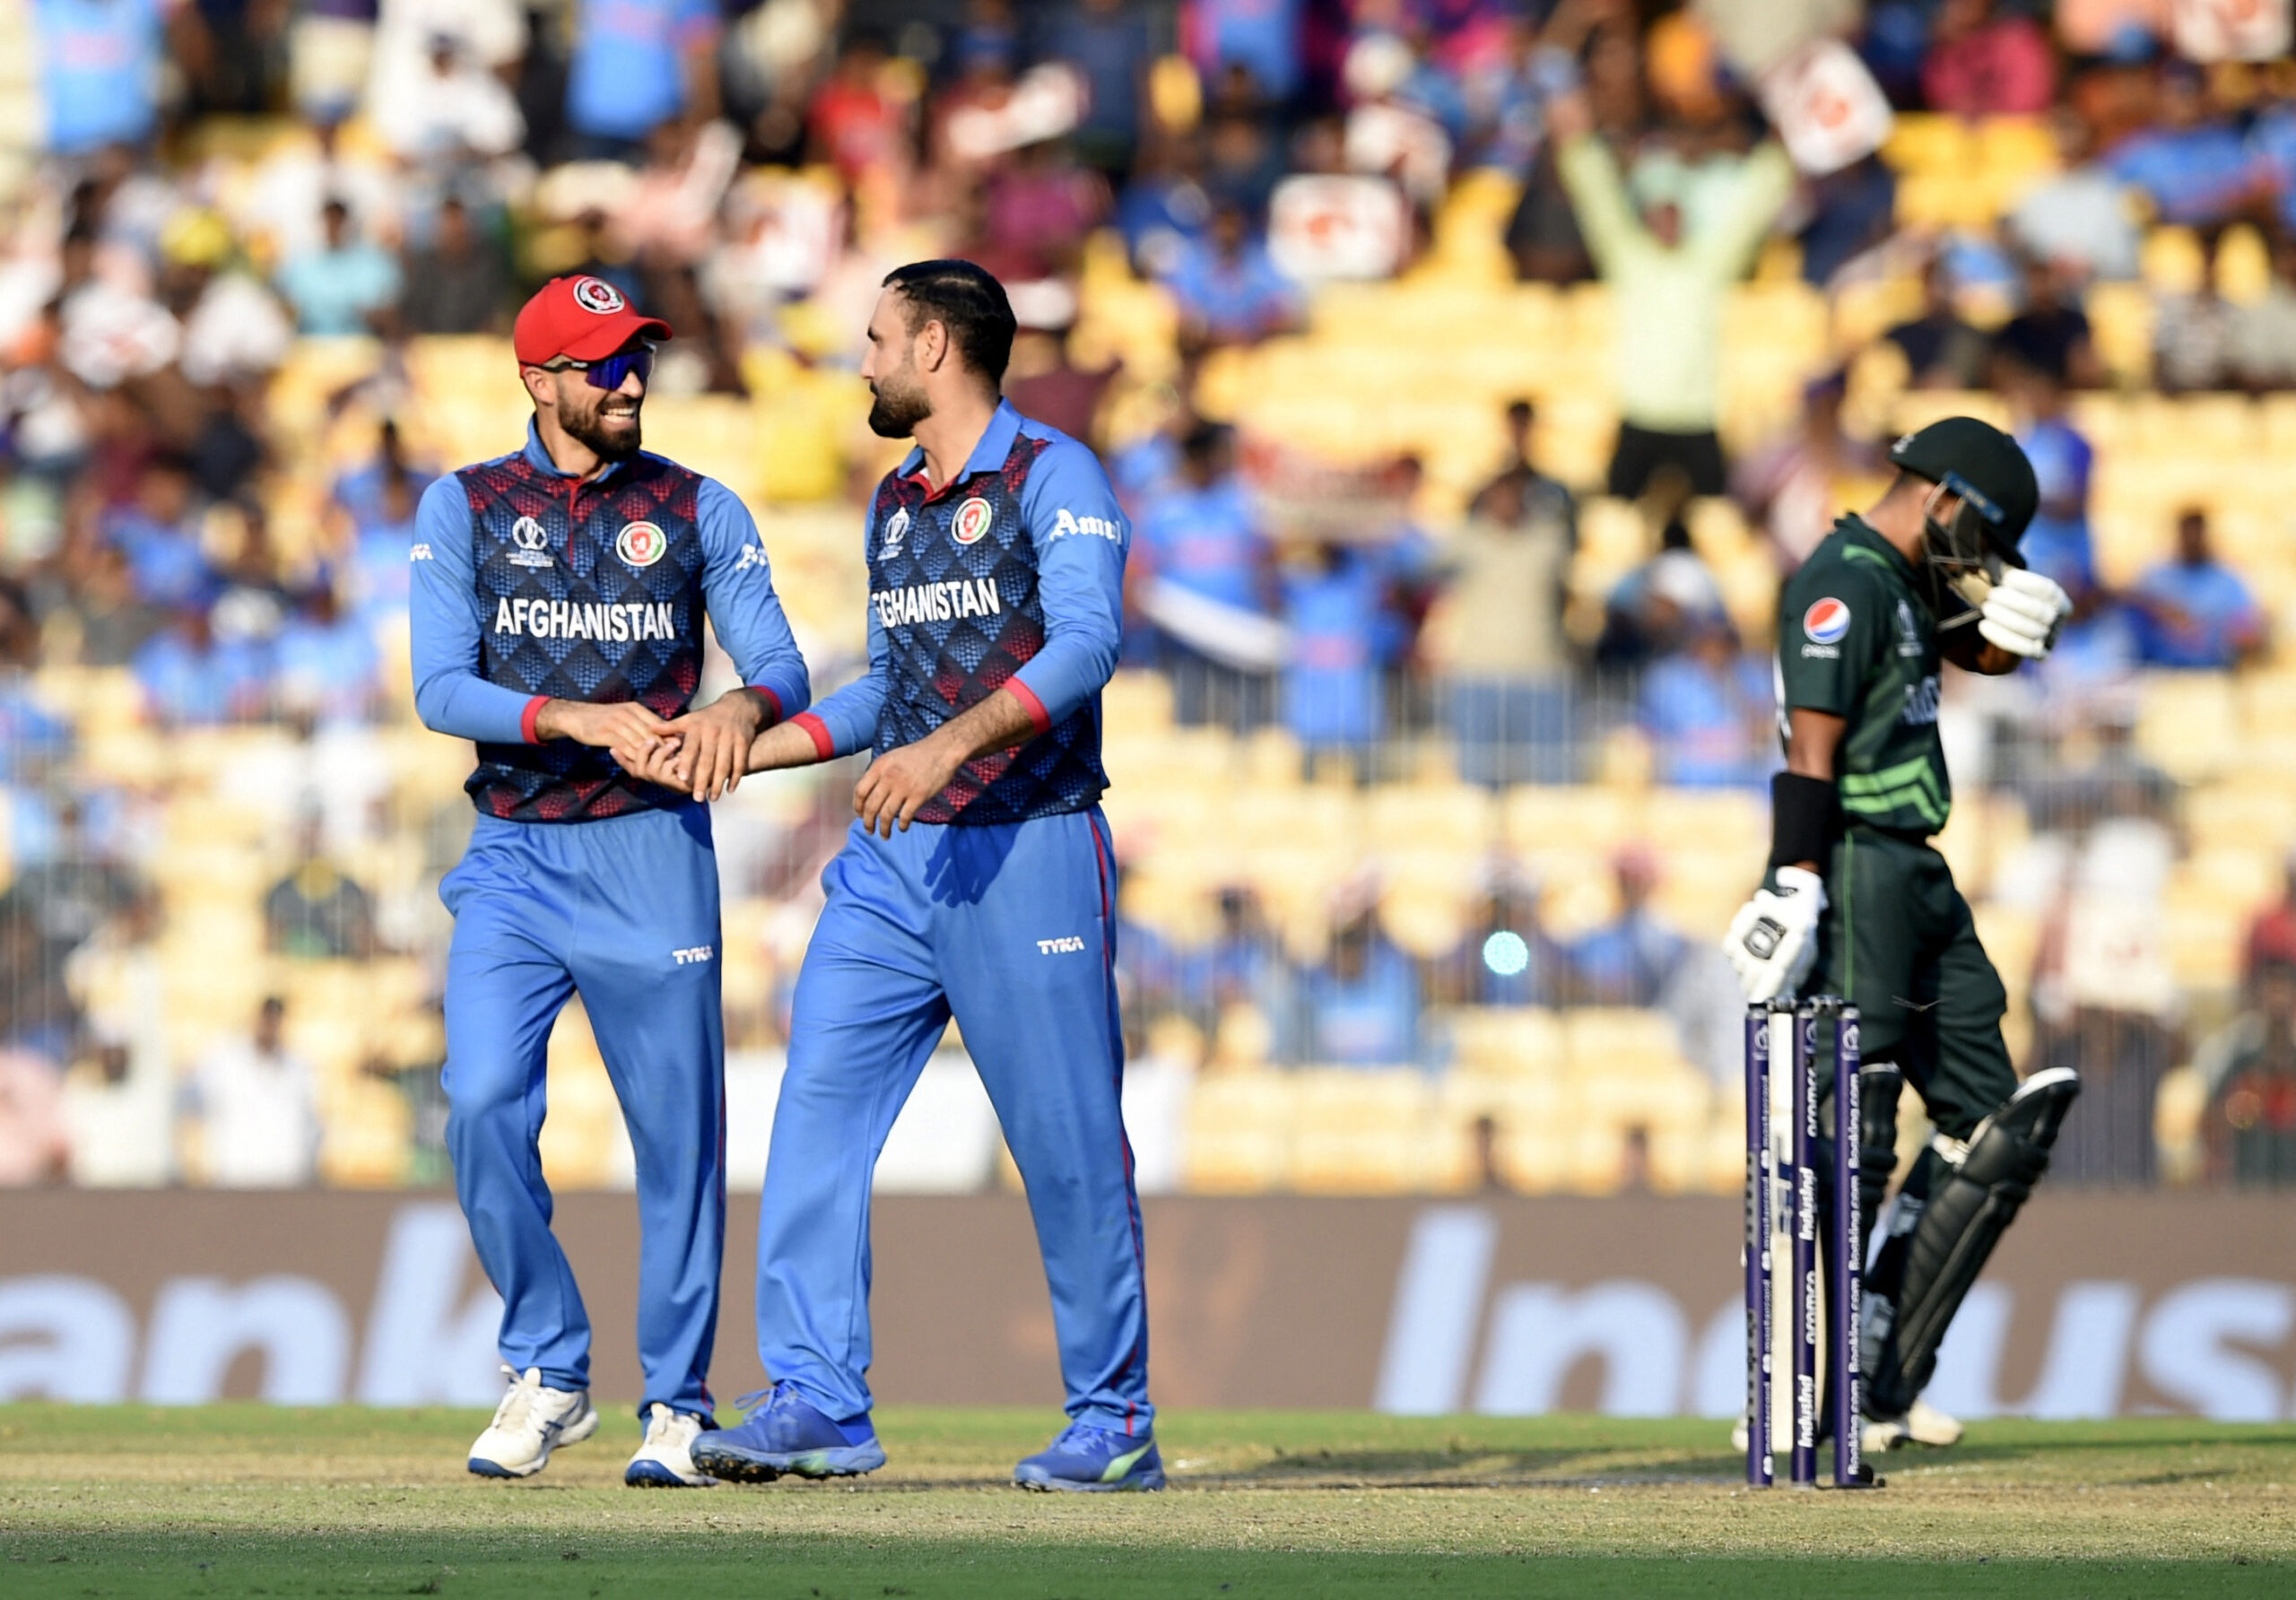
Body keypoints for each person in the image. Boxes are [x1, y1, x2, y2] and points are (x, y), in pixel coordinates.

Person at [668, 260, 1161, 1493]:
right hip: (895, 864)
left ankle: (1114, 1418)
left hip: (1027, 843)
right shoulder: (897, 500)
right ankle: (819, 1399)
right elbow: (890, 687)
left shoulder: (1051, 473)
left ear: (935, 345)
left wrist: (948, 746)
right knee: (816, 1109)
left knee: (1066, 1142)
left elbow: (1089, 644)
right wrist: (744, 748)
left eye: (879, 338)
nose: (865, 361)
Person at [408, 275, 812, 1488]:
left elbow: (781, 665)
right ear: (539, 381)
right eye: (600, 364)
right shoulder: (467, 503)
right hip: (514, 855)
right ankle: (549, 1363)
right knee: (480, 1102)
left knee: (677, 1141)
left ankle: (677, 1403)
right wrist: (578, 717)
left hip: (652, 854)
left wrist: (736, 711)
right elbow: (440, 688)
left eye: (637, 358)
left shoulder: (697, 505)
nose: (628, 380)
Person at [1723, 418, 2081, 1454]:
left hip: (1918, 867)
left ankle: (1884, 1376)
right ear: (1944, 498)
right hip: (1855, 862)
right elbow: (1809, 746)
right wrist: (1794, 877)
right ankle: (1802, 1386)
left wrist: (2019, 631)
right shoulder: (1842, 580)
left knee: (1993, 1123)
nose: (1988, 558)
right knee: (1856, 1127)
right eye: (1987, 535)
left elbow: (1974, 651)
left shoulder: (1908, 581)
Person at [1550, 91, 1791, 499]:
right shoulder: (1630, 259)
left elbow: (1749, 214)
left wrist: (1776, 155)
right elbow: (1600, 204)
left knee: (1716, 514)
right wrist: (1577, 145)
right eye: (1659, 212)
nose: (1668, 222)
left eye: (1674, 212)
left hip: (1698, 416)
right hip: (1639, 412)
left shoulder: (1707, 263)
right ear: (1647, 216)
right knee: (1617, 512)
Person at [180, 997, 320, 1188]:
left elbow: (312, 1126)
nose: (270, 1027)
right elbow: (190, 1101)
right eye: (267, 1020)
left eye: (276, 1021)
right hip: (235, 1181)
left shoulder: (298, 1068)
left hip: (286, 1182)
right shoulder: (224, 1062)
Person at [2126, 509, 2268, 671]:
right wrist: (2163, 611)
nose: (2193, 540)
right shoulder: (2156, 575)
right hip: (2158, 666)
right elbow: (2131, 603)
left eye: (2197, 534)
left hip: (2212, 665)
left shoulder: (2228, 579)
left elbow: (2247, 624)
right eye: (2188, 534)